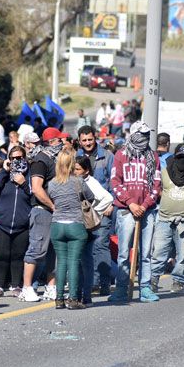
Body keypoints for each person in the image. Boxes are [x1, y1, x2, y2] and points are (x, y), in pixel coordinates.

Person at [109, 121, 162, 303]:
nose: (145, 139)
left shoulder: (152, 156)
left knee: (145, 252)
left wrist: (145, 205)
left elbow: (156, 184)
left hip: (147, 210)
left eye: (148, 135)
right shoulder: (121, 155)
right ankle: (121, 287)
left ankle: (145, 287)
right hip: (126, 210)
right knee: (124, 252)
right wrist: (131, 203)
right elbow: (115, 182)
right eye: (142, 135)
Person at [20, 127, 67, 302]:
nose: (61, 143)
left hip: (57, 211)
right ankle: (26, 288)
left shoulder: (58, 160)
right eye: (58, 140)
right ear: (50, 142)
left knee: (54, 251)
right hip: (43, 211)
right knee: (36, 250)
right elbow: (37, 189)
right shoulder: (41, 160)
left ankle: (51, 287)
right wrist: (53, 206)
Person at [150, 143, 184, 293]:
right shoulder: (164, 172)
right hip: (164, 218)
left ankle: (178, 281)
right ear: (175, 157)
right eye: (179, 157)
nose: (182, 160)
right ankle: (153, 280)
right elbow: (155, 188)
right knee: (159, 252)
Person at [48, 150, 94, 310]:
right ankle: (73, 299)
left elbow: (52, 197)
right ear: (71, 164)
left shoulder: (52, 183)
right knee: (74, 262)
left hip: (57, 225)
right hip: (75, 224)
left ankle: (59, 299)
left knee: (61, 262)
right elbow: (91, 197)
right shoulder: (78, 181)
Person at [0, 145, 32, 298]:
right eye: (13, 159)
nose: (17, 161)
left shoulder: (31, 175)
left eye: (20, 158)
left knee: (18, 255)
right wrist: (4, 171)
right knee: (2, 254)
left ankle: (16, 286)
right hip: (2, 223)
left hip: (22, 223)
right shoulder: (4, 175)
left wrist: (24, 183)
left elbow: (34, 196)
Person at [76, 126, 114, 295]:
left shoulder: (107, 156)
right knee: (83, 248)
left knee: (100, 245)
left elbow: (114, 183)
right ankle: (88, 283)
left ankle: (103, 284)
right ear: (79, 141)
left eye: (90, 139)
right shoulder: (75, 157)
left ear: (95, 138)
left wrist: (111, 205)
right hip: (81, 211)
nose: (87, 143)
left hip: (102, 208)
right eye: (84, 140)